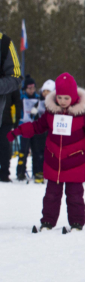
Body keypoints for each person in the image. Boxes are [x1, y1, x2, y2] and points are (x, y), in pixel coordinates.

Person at [7, 73, 85, 231]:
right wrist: (18, 131)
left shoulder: (83, 114)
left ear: (74, 96)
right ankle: (47, 222)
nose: (62, 101)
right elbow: (37, 126)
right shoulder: (51, 112)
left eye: (66, 98)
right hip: (54, 162)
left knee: (75, 195)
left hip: (75, 162)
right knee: (51, 195)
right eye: (60, 97)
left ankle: (76, 223)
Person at [0, 30, 22, 183]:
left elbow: (16, 77)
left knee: (4, 146)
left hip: (5, 119)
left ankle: (4, 173)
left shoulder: (4, 42)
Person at [17, 76, 46, 183]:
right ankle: (20, 171)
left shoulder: (38, 98)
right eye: (29, 88)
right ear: (25, 89)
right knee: (23, 151)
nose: (31, 90)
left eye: (33, 88)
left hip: (35, 128)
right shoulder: (21, 98)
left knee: (36, 150)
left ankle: (37, 171)